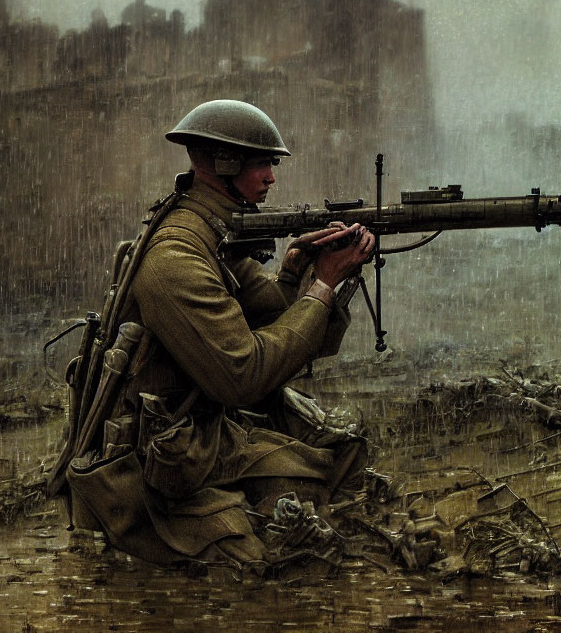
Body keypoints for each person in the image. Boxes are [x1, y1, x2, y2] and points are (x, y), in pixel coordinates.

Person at [62, 99, 375, 569]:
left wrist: (297, 275)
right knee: (279, 552)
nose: (272, 177)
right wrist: (325, 285)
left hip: (198, 432)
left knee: (343, 452)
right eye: (263, 163)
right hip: (163, 463)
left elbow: (276, 323)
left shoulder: (211, 232)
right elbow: (243, 376)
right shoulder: (178, 257)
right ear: (225, 165)